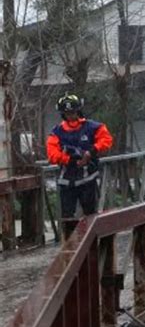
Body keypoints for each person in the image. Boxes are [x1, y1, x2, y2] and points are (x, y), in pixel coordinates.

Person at [46, 93, 113, 233]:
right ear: (63, 114)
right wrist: (70, 160)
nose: (71, 115)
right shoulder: (56, 132)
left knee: (91, 215)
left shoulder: (93, 127)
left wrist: (91, 152)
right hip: (67, 181)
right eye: (68, 113)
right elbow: (52, 154)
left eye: (73, 112)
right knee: (67, 218)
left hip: (88, 179)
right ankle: (69, 244)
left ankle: (92, 243)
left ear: (78, 111)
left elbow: (106, 140)